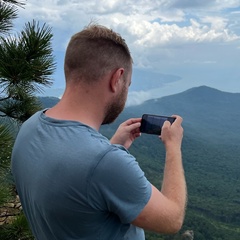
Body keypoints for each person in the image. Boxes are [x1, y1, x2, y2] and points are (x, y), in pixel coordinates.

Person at [11, 23, 187, 240]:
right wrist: (173, 147)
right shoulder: (105, 162)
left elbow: (81, 195)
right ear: (117, 79)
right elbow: (172, 219)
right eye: (128, 84)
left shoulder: (29, 128)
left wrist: (114, 146)